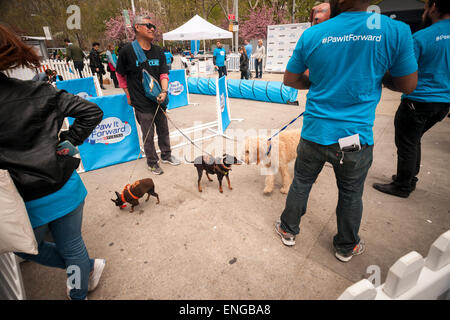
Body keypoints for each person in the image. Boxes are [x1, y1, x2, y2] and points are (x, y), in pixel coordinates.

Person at [275, 0, 418, 262]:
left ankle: (288, 229)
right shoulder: (396, 31)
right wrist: (378, 77)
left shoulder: (313, 34)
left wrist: (319, 81)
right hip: (354, 139)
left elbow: (290, 79)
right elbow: (408, 84)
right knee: (351, 192)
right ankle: (346, 246)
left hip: (315, 133)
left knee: (302, 182)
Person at [0, 24, 105, 300]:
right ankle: (84, 269)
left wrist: (70, 140)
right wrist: (70, 139)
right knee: (63, 249)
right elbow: (91, 112)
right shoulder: (39, 91)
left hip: (29, 195)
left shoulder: (39, 91)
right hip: (52, 189)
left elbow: (92, 111)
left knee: (38, 248)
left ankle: (78, 290)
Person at [373, 0, 450, 198]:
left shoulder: (422, 37)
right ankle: (409, 177)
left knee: (407, 143)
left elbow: (402, 73)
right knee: (414, 141)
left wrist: (382, 78)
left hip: (419, 100)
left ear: (434, 6)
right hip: (443, 104)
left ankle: (402, 185)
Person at [115, 15, 181, 175]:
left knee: (164, 129)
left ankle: (166, 155)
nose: (152, 29)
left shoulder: (158, 50)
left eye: (154, 27)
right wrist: (128, 95)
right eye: (148, 25)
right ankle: (152, 162)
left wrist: (164, 92)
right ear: (137, 27)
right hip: (140, 101)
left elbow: (164, 74)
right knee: (148, 134)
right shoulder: (127, 51)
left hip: (159, 99)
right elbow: (120, 74)